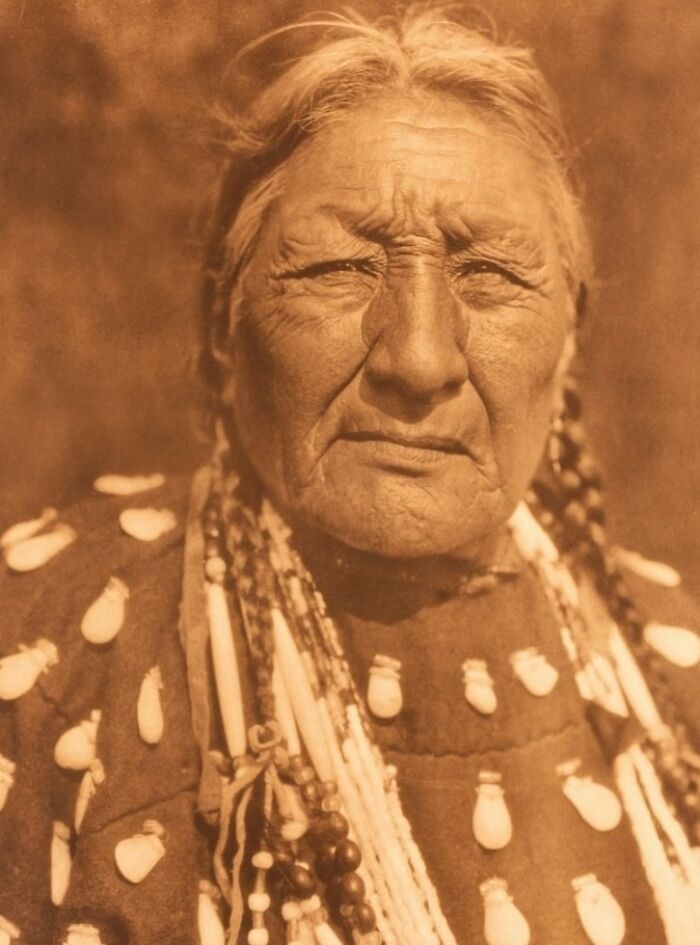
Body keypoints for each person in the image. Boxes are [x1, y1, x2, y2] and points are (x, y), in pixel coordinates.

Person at [1, 7, 699, 945]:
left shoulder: (670, 682)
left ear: (569, 341)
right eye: (339, 266)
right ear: (226, 323)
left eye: (489, 274)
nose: (417, 358)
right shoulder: (39, 652)